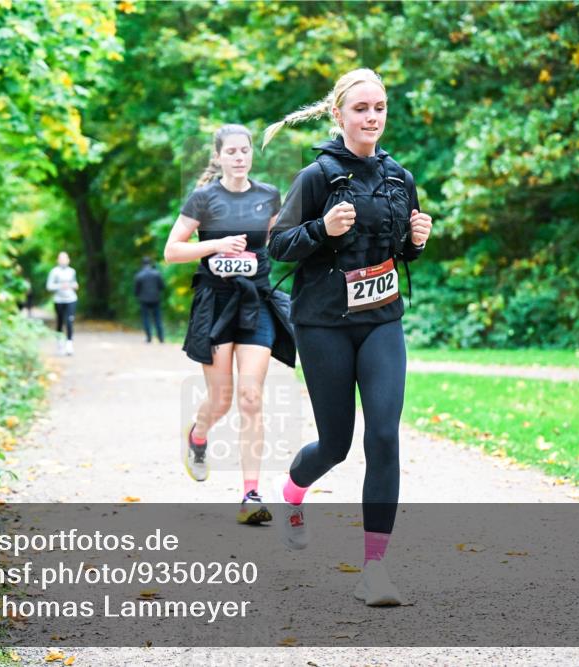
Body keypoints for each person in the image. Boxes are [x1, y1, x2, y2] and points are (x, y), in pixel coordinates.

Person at [263, 68, 434, 605]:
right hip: (323, 326)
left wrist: (416, 241)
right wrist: (321, 229)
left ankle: (374, 570)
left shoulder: (398, 177)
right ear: (339, 115)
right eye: (361, 109)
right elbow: (279, 246)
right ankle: (294, 491)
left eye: (379, 107)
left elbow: (396, 249)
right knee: (335, 445)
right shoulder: (316, 176)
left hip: (382, 320)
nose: (372, 118)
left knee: (383, 436)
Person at [163, 124, 296, 525]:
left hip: (255, 302)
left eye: (245, 151)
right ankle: (198, 435)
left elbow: (281, 240)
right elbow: (172, 251)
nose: (239, 157)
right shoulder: (203, 198)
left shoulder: (268, 195)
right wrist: (216, 245)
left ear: (252, 155)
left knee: (251, 397)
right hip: (216, 305)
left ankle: (250, 494)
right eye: (231, 152)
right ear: (218, 157)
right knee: (220, 399)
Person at [46, 251, 79, 355]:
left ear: (68, 260)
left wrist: (74, 285)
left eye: (65, 258)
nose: (63, 260)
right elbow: (49, 286)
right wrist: (61, 286)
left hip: (71, 299)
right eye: (61, 259)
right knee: (60, 322)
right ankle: (60, 345)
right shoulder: (54, 272)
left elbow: (74, 283)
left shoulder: (72, 271)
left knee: (69, 321)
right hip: (59, 300)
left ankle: (69, 345)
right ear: (58, 260)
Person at [133, 257, 166, 343]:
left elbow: (136, 291)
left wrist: (139, 296)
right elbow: (162, 286)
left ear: (142, 264)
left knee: (146, 319)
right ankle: (161, 338)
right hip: (155, 299)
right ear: (150, 263)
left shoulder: (139, 275)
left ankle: (149, 338)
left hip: (144, 300)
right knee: (158, 318)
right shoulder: (157, 274)